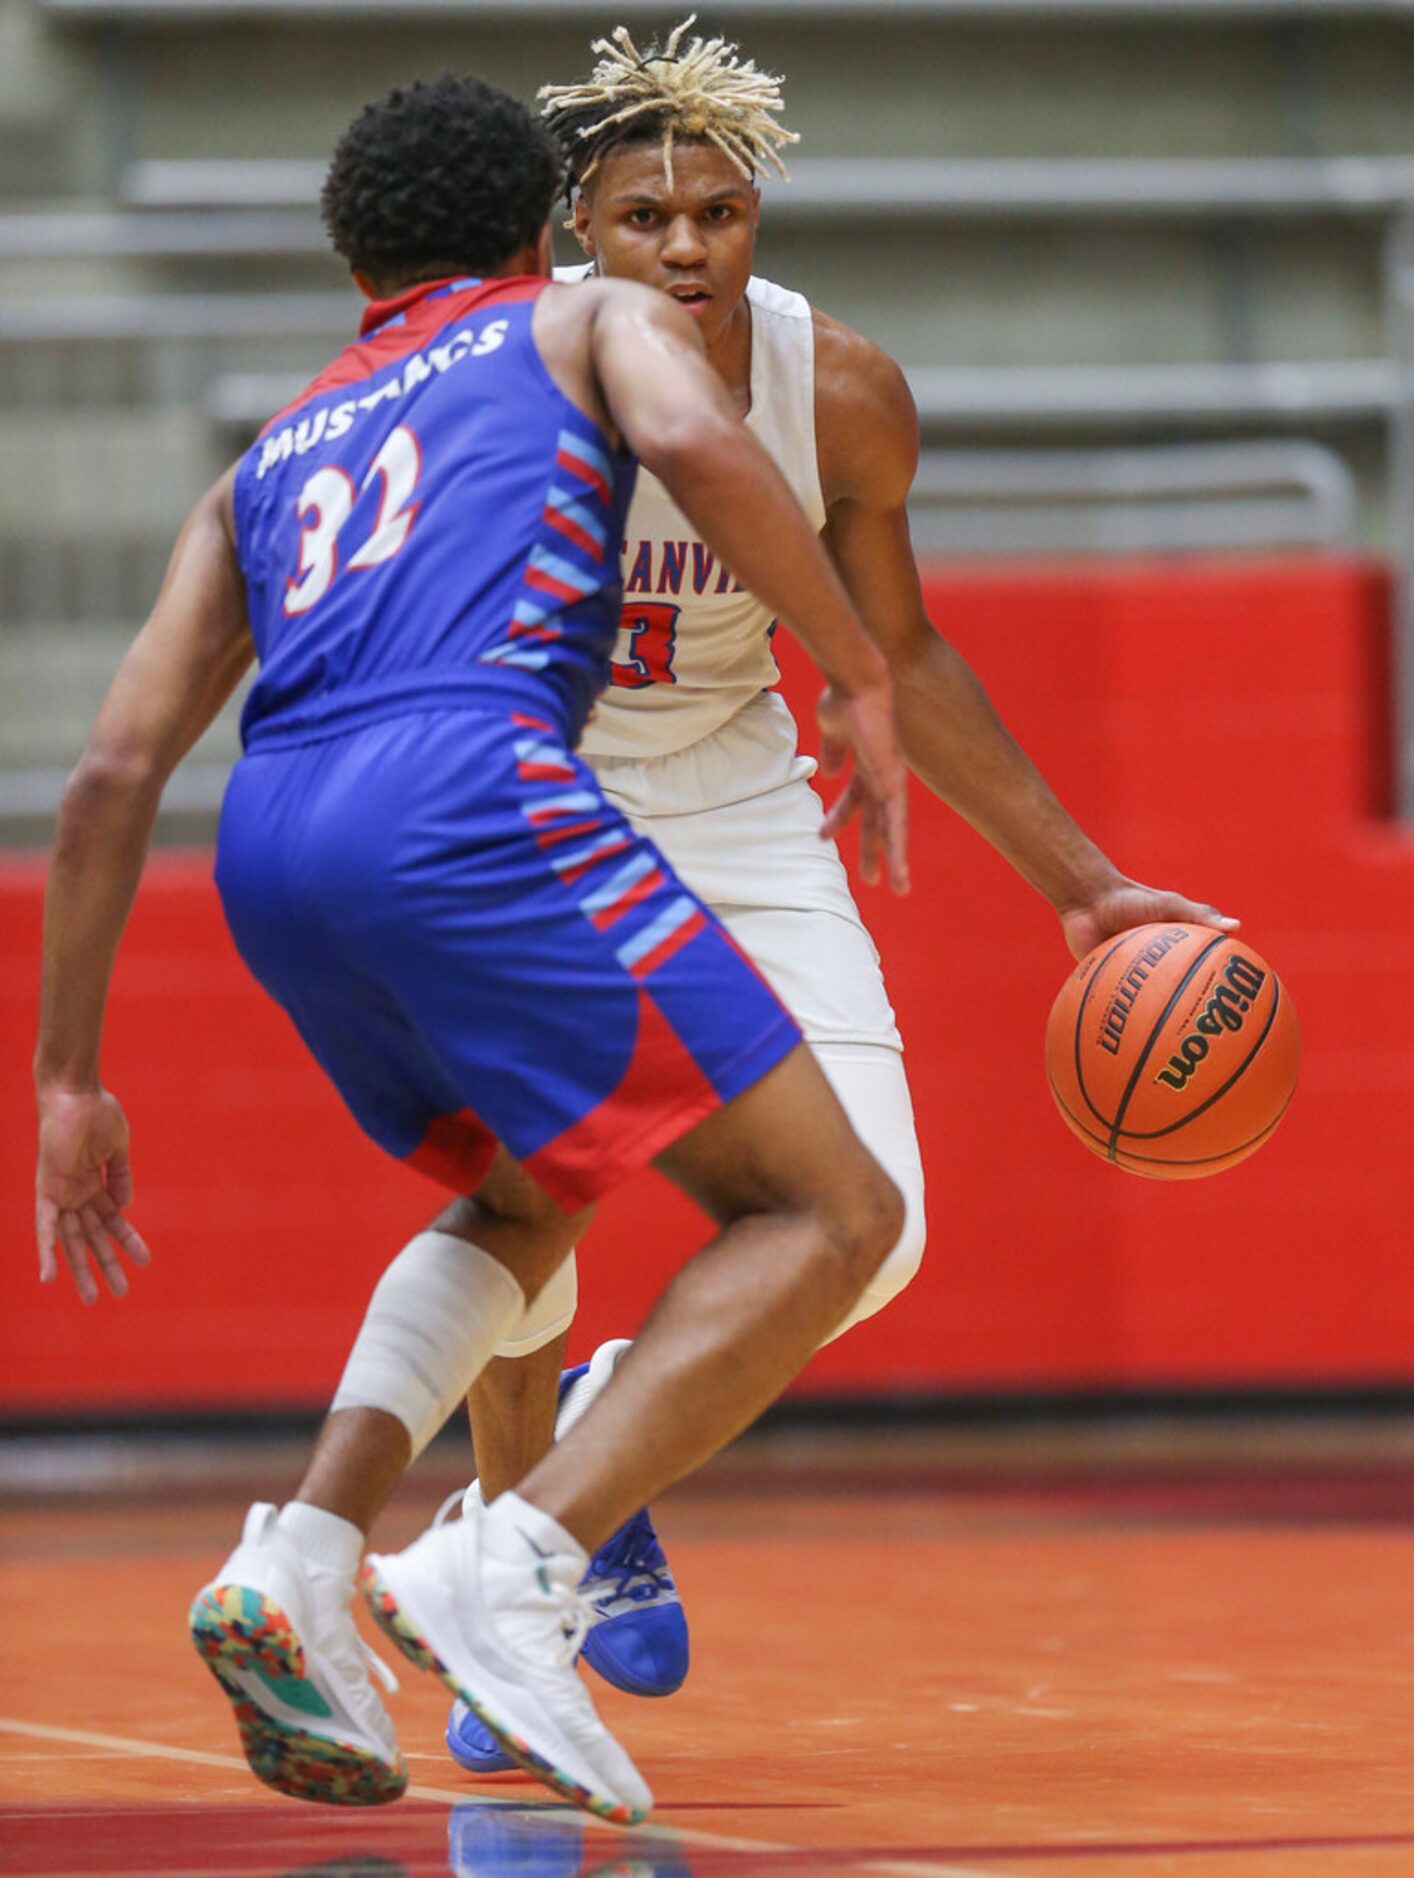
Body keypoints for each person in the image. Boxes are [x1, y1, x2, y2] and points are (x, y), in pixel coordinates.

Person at [32, 73, 917, 1826]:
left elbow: (112, 769)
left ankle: (298, 1556)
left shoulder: (274, 446)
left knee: (525, 1199)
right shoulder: (578, 317)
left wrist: (67, 1073)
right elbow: (701, 444)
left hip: (276, 851)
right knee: (833, 1211)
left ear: (356, 262)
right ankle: (511, 1558)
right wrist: (857, 668)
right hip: (470, 794)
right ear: (540, 231)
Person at [426, 18, 1241, 1777]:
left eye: (718, 211)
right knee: (524, 1216)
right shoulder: (495, 374)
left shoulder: (838, 387)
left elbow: (899, 649)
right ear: (580, 226)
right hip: (533, 795)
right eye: (645, 214)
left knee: (876, 1223)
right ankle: (518, 1601)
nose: (687, 245)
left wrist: (1083, 891)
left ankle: (591, 1434)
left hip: (731, 800)